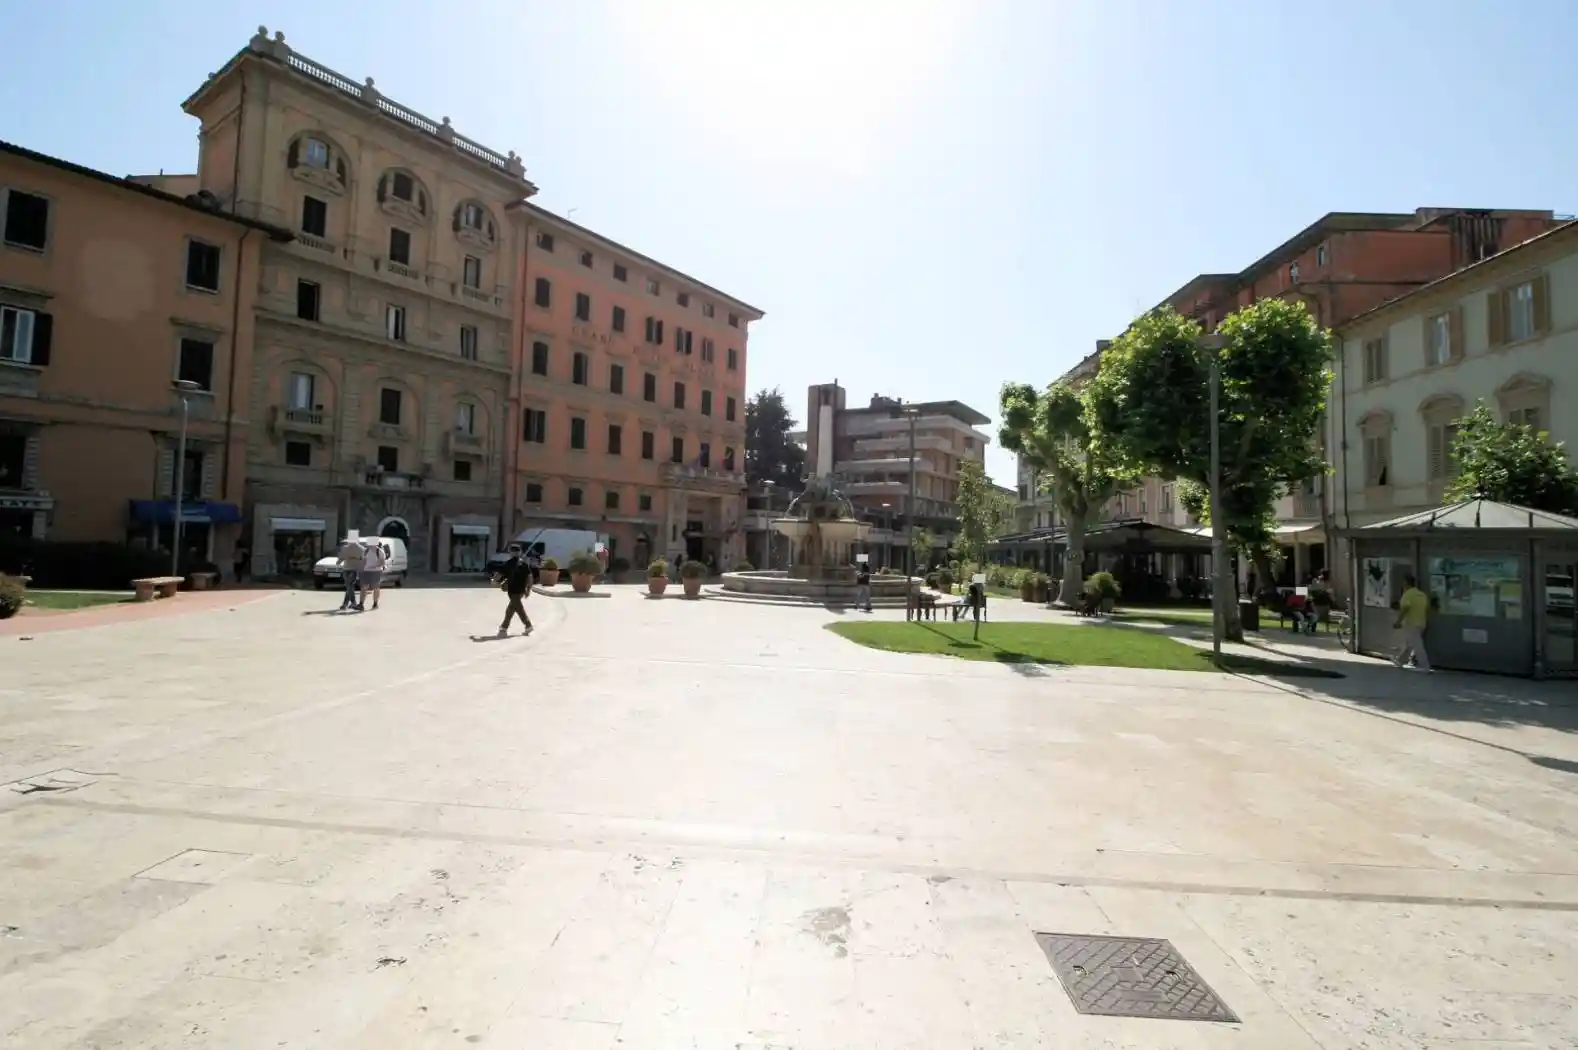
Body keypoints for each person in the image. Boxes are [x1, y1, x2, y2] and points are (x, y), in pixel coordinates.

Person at [1393, 573, 1432, 672]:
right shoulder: (1422, 595)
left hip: (1411, 623)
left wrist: (1398, 621)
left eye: (1403, 582)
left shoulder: (1408, 594)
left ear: (1406, 583)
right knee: (1410, 643)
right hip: (1421, 623)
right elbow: (1427, 608)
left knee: (1418, 645)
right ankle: (1400, 660)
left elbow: (1406, 608)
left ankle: (1425, 666)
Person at [493, 543, 533, 636]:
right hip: (521, 591)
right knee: (510, 610)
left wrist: (494, 581)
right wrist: (528, 589)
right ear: (520, 552)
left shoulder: (508, 564)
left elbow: (498, 576)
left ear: (510, 552)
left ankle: (528, 625)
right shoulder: (524, 564)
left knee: (519, 609)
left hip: (513, 591)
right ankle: (503, 628)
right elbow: (530, 577)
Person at [337, 537, 365, 611]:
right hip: (354, 569)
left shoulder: (345, 548)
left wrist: (338, 562)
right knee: (350, 586)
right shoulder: (361, 548)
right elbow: (363, 560)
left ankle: (345, 604)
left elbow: (341, 557)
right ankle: (352, 603)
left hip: (347, 569)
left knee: (349, 586)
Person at [360, 540, 386, 611]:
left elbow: (382, 562)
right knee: (364, 587)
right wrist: (362, 569)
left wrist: (374, 566)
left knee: (376, 588)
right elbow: (363, 561)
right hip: (366, 571)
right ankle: (361, 604)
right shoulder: (365, 551)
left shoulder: (380, 551)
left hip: (376, 571)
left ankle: (375, 603)